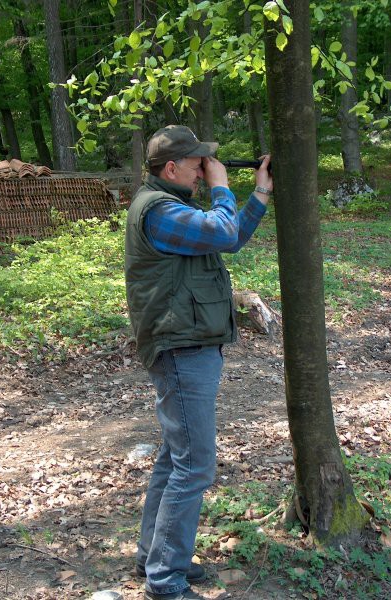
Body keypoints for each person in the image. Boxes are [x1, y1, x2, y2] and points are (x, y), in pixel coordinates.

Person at [124, 125, 273, 600]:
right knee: (195, 466)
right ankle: (165, 581)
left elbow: (228, 238)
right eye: (197, 165)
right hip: (181, 350)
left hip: (188, 345)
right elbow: (222, 228)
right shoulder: (160, 211)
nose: (202, 173)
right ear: (171, 168)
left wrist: (261, 193)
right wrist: (224, 185)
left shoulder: (174, 207)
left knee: (175, 459)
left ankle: (155, 556)